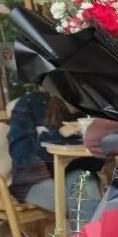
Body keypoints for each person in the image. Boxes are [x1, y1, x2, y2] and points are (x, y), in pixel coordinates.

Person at [8, 90, 101, 229]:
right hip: (34, 182)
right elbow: (20, 153)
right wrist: (58, 134)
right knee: (87, 198)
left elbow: (95, 164)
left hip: (71, 177)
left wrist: (96, 140)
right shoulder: (29, 104)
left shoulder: (85, 108)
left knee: (87, 185)